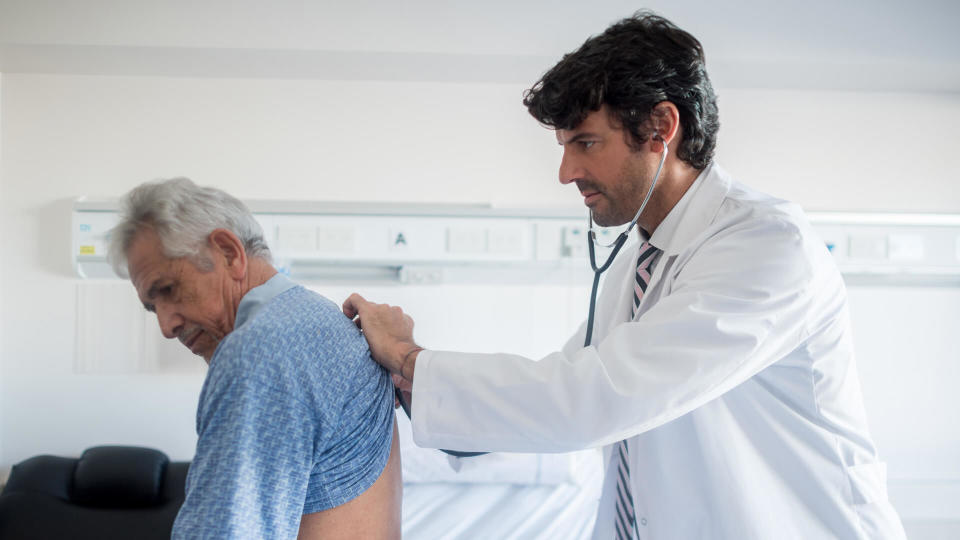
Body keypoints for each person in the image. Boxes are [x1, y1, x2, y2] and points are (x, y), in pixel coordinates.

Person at [343, 11, 905, 539]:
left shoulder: (767, 246)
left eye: (586, 143)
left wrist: (412, 358)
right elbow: (560, 390)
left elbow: (594, 398)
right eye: (564, 148)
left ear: (661, 126)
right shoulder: (643, 259)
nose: (566, 173)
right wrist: (411, 389)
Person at [107, 178, 401, 539]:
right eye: (153, 308)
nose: (166, 326)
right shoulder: (321, 320)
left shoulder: (259, 351)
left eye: (168, 290)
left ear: (229, 253)